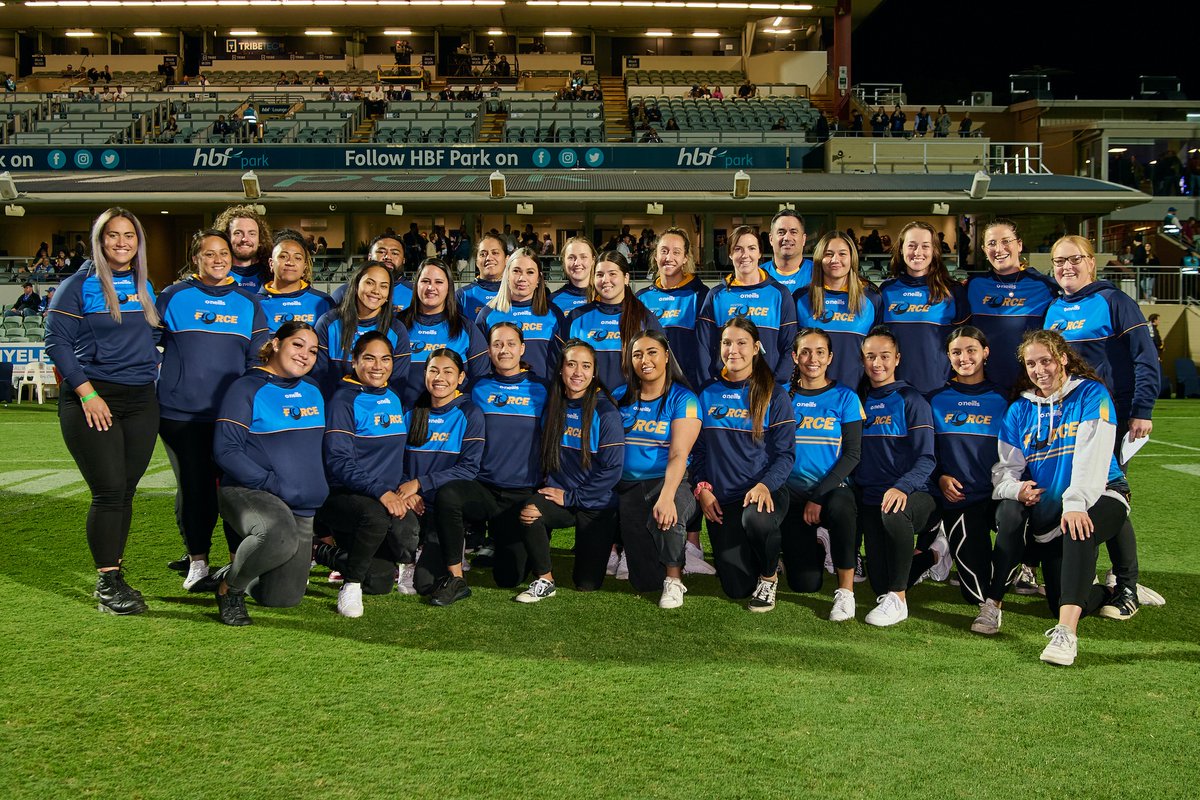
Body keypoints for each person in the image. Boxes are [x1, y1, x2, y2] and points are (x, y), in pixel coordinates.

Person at [993, 330, 1137, 666]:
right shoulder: (1020, 410)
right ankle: (1110, 590)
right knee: (1060, 597)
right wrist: (1016, 489)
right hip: (1055, 513)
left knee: (1078, 529)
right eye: (1031, 363)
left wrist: (1075, 503)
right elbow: (1005, 470)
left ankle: (1066, 635)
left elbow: (1094, 458)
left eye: (1046, 360)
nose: (1039, 369)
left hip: (1103, 493)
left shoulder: (1092, 394)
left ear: (1062, 358)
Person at [46, 208, 162, 615]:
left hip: (142, 400)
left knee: (125, 491)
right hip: (94, 397)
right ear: (99, 240)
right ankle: (107, 584)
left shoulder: (144, 284)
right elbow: (56, 343)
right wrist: (87, 393)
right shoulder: (77, 286)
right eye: (112, 235)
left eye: (129, 235)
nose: (121, 242)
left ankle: (114, 571)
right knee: (109, 490)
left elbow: (153, 334)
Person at [156, 229, 268, 591]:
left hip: (229, 418)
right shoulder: (173, 296)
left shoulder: (248, 303)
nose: (218, 259)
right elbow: (144, 344)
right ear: (196, 259)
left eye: (223, 253)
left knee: (233, 490)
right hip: (180, 416)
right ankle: (198, 561)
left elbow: (256, 363)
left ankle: (238, 564)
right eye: (209, 254)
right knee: (195, 489)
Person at [211, 321, 329, 625]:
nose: (305, 354)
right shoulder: (246, 387)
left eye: (313, 350)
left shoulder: (313, 389)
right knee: (277, 535)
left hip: (301, 506)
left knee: (282, 598)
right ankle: (230, 589)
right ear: (276, 344)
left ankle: (235, 569)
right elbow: (226, 450)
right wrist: (272, 483)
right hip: (250, 492)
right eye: (297, 345)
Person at [436, 322, 549, 598]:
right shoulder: (477, 387)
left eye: (511, 344)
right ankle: (455, 577)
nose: (504, 350)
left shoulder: (542, 389)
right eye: (497, 344)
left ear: (522, 348)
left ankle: (507, 541)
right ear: (488, 349)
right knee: (449, 495)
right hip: (484, 488)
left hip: (521, 494)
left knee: (508, 578)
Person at [312, 331, 420, 617]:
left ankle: (324, 553)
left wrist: (404, 488)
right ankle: (350, 587)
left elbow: (395, 457)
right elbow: (338, 461)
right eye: (369, 358)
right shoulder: (343, 400)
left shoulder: (394, 398)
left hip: (382, 498)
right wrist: (382, 492)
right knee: (374, 516)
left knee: (381, 581)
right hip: (344, 497)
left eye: (385, 359)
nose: (378, 366)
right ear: (354, 361)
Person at [693, 318, 795, 610]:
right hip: (721, 500)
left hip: (763, 491)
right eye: (727, 342)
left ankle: (769, 576)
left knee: (756, 519)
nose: (732, 350)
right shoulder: (707, 393)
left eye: (741, 343)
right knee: (736, 588)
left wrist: (764, 486)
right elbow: (697, 451)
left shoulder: (773, 394)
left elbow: (786, 454)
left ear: (756, 348)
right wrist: (701, 488)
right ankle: (769, 554)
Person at [856, 326, 947, 627]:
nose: (877, 363)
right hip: (872, 497)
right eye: (870, 356)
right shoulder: (858, 400)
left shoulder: (911, 400)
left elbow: (927, 459)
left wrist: (901, 487)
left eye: (884, 356)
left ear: (897, 358)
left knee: (895, 514)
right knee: (877, 582)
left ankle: (898, 600)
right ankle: (934, 556)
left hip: (915, 494)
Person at [520, 340, 624, 594]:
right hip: (561, 497)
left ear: (594, 372)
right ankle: (545, 579)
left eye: (586, 366)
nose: (578, 373)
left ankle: (613, 544)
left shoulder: (606, 412)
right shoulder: (553, 406)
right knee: (529, 511)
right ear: (560, 369)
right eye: (572, 364)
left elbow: (612, 470)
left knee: (587, 584)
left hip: (596, 503)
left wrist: (572, 496)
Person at [927, 326, 1009, 630]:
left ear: (985, 353)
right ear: (948, 357)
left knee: (1018, 535)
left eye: (971, 350)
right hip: (962, 499)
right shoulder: (935, 400)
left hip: (1001, 496)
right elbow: (926, 451)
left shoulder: (1006, 398)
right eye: (956, 352)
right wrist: (940, 478)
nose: (964, 357)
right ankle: (943, 551)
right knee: (972, 591)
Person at [614, 330, 702, 608]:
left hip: (668, 482)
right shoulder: (619, 396)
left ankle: (674, 580)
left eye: (652, 352)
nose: (645, 360)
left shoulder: (683, 399)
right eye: (637, 354)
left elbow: (678, 453)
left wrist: (666, 496)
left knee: (668, 515)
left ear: (666, 356)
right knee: (644, 581)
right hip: (628, 488)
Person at [782, 328, 864, 621]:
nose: (811, 358)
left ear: (829, 357)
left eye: (819, 352)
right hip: (791, 493)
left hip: (831, 491)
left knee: (842, 506)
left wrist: (818, 496)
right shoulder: (781, 395)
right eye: (805, 351)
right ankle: (817, 543)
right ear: (794, 356)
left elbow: (853, 454)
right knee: (805, 584)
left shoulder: (845, 397)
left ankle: (845, 592)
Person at [399, 349, 486, 604]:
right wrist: (406, 490)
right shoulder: (412, 412)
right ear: (425, 374)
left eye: (448, 372)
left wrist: (420, 483)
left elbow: (469, 468)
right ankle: (405, 557)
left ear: (461, 377)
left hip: (444, 507)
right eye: (434, 370)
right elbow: (396, 461)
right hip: (412, 501)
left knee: (425, 584)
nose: (440, 377)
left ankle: (453, 541)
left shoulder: (470, 413)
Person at [965, 218, 1058, 391]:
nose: (999, 249)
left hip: (1032, 386)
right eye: (991, 243)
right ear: (985, 250)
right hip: (985, 387)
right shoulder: (974, 286)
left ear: (1019, 245)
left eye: (1006, 241)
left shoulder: (1045, 286)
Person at [697, 225, 798, 384]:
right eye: (738, 249)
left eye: (751, 248)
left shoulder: (779, 294)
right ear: (730, 254)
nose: (745, 255)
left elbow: (790, 346)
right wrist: (711, 385)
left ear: (759, 253)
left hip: (768, 388)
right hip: (725, 389)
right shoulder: (716, 296)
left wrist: (775, 385)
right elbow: (703, 347)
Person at [879, 221, 968, 394]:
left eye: (925, 246)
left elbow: (966, 346)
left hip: (940, 390)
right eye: (911, 246)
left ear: (934, 250)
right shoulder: (886, 291)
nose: (918, 252)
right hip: (894, 390)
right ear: (901, 249)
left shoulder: (953, 291)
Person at [794, 230, 880, 394]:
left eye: (842, 254)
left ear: (852, 258)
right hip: (809, 395)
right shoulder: (801, 298)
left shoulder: (872, 299)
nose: (835, 260)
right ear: (819, 258)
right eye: (829, 254)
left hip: (856, 394)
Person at [565, 250, 661, 393]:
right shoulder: (576, 318)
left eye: (612, 274)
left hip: (630, 406)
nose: (605, 280)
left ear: (626, 278)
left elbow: (660, 366)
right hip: (588, 405)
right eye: (600, 275)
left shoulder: (644, 318)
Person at [398, 257, 489, 406]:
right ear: (416, 285)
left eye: (438, 282)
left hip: (451, 421)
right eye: (425, 281)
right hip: (405, 418)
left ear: (449, 287)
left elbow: (480, 379)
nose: (431, 287)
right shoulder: (397, 326)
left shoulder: (466, 328)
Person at [312, 261, 411, 398]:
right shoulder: (328, 323)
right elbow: (319, 376)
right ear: (356, 284)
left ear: (388, 294)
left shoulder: (396, 329)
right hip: (336, 409)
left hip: (378, 412)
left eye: (383, 286)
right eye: (370, 283)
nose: (376, 291)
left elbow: (397, 384)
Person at [475, 248, 565, 381]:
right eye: (516, 271)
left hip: (544, 396)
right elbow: (479, 365)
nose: (522, 278)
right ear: (507, 275)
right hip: (499, 396)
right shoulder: (487, 315)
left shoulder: (554, 314)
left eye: (530, 272)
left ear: (539, 278)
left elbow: (563, 362)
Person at [636, 227, 708, 391]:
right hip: (651, 389)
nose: (669, 258)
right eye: (664, 251)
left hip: (689, 388)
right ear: (656, 256)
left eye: (676, 252)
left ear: (685, 258)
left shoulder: (700, 295)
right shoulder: (641, 298)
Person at [258, 230, 335, 333]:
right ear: (271, 263)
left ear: (304, 267)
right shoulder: (255, 304)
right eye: (283, 256)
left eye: (298, 258)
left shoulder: (324, 302)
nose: (290, 262)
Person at [214, 205, 272, 291]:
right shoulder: (215, 274)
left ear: (260, 239)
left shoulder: (272, 274)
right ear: (227, 237)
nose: (245, 239)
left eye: (252, 234)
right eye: (238, 233)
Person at [458, 233, 507, 321]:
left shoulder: (516, 294)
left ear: (507, 259)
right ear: (476, 262)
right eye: (483, 254)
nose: (489, 258)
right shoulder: (462, 296)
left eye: (495, 253)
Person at [762, 210, 813, 293]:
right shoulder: (758, 274)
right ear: (771, 239)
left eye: (793, 232)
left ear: (803, 239)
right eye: (781, 232)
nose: (787, 238)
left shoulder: (818, 273)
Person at [550, 236, 596, 314]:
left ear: (593, 260)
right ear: (564, 261)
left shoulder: (605, 297)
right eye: (571, 257)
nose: (577, 263)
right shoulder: (553, 301)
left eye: (583, 257)